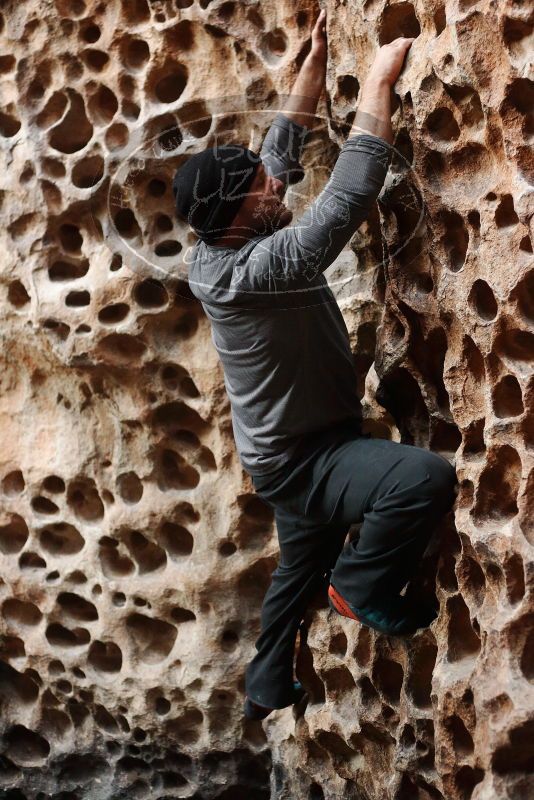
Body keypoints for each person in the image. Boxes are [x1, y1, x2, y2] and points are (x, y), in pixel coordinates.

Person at [172, 10, 458, 721]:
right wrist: (383, 78)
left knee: (299, 563)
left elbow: (279, 153)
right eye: (262, 191)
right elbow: (352, 191)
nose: (275, 189)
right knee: (423, 479)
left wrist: (312, 68)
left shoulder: (228, 235)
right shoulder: (260, 268)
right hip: (308, 456)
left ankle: (267, 684)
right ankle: (360, 588)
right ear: (239, 215)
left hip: (281, 453)